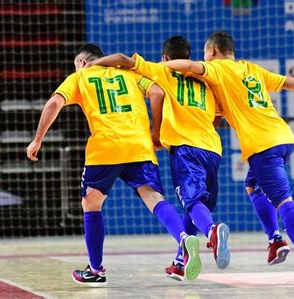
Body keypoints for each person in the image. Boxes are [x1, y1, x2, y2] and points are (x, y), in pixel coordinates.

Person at [162, 31, 294, 285]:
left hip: (262, 145)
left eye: (204, 53)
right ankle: (275, 239)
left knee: (283, 200)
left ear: (211, 51)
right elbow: (286, 81)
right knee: (252, 185)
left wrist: (155, 67)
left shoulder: (218, 69)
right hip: (283, 136)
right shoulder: (250, 69)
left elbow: (188, 66)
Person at [26, 43, 202, 286]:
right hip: (139, 145)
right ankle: (182, 237)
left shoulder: (80, 76)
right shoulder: (130, 74)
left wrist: (37, 140)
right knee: (154, 198)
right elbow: (158, 93)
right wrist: (155, 132)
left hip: (105, 148)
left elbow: (54, 103)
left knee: (91, 203)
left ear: (81, 62)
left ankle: (96, 269)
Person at [87, 36, 230, 281]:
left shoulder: (164, 71)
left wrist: (93, 65)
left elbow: (122, 59)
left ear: (166, 58)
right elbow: (219, 118)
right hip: (213, 148)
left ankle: (212, 230)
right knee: (195, 205)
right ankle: (180, 262)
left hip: (186, 148)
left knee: (192, 202)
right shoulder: (206, 78)